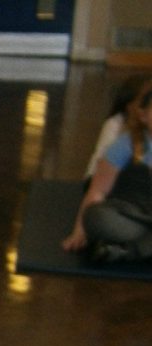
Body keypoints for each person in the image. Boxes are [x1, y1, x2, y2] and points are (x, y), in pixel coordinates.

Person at [62, 80, 152, 262]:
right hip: (131, 216)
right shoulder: (125, 144)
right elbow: (98, 191)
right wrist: (79, 231)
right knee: (97, 217)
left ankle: (127, 251)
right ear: (143, 116)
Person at [81, 74, 151, 192]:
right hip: (107, 182)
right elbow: (102, 162)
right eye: (143, 102)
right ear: (129, 105)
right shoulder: (115, 124)